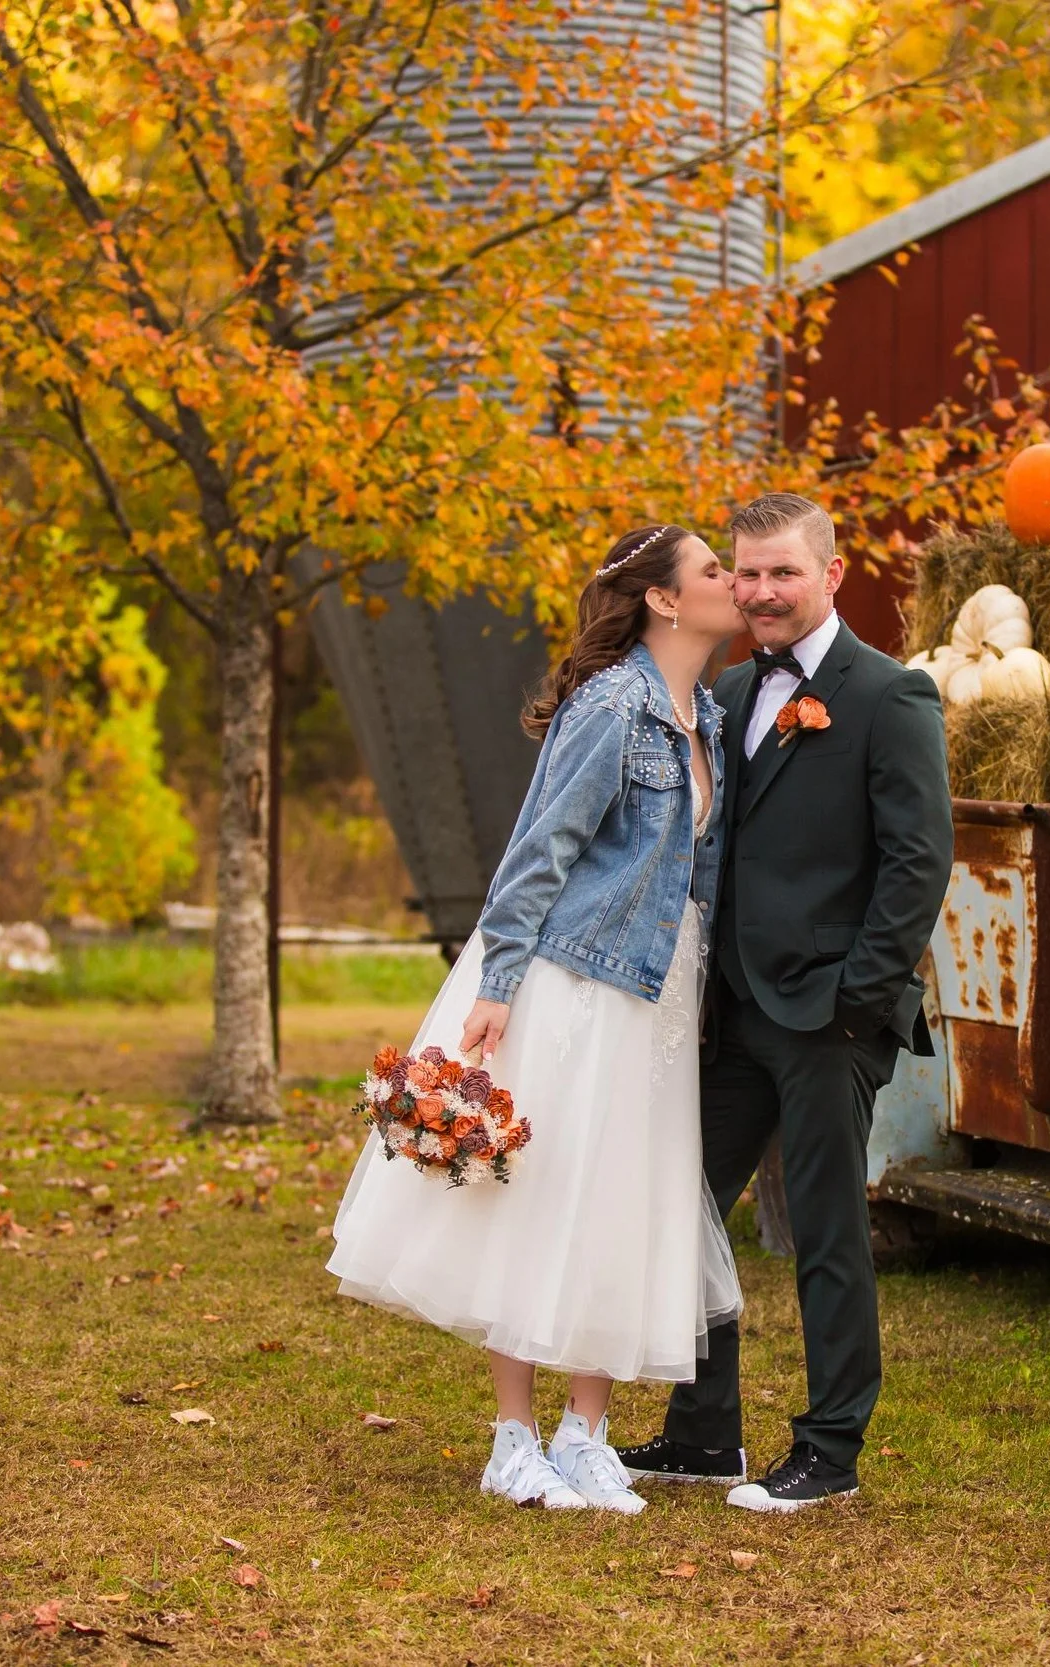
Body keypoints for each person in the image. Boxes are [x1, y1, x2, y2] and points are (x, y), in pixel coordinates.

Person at [326, 524, 745, 1513]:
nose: (733, 581)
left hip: (657, 992)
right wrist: (499, 981)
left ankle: (585, 1431)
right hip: (572, 978)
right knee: (535, 1193)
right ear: (665, 601)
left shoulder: (706, 718)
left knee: (619, 1198)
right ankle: (514, 1436)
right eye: (714, 570)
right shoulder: (611, 705)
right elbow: (537, 848)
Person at [617, 492, 951, 1513]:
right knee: (684, 1210)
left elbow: (916, 863)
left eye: (782, 572)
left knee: (823, 1226)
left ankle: (831, 1448)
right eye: (746, 572)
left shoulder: (889, 696)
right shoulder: (725, 691)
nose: (760, 591)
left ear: (832, 575)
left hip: (828, 1016)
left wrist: (857, 999)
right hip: (731, 1013)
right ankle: (703, 1429)